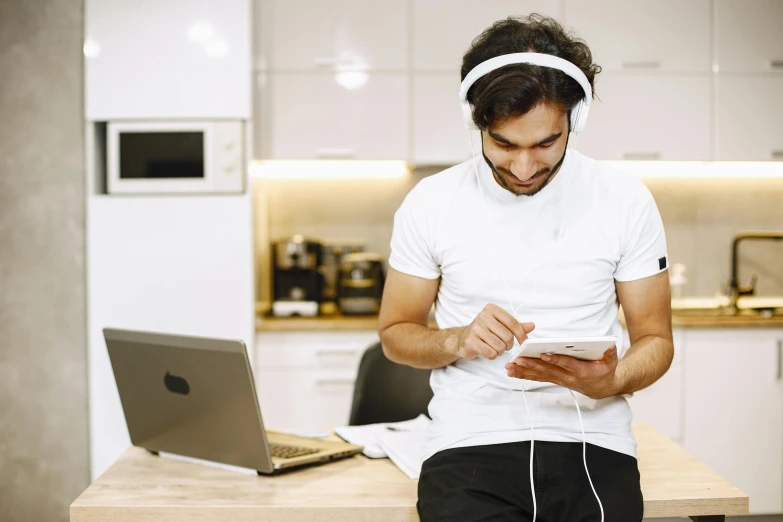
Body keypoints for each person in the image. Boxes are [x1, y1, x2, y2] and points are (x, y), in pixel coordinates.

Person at [378, 14, 673, 522]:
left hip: (591, 437)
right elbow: (395, 334)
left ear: (574, 123)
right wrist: (455, 340)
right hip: (470, 439)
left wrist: (612, 380)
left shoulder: (624, 200)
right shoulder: (432, 202)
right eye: (504, 144)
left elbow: (657, 341)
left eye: (545, 144)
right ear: (478, 123)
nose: (523, 168)